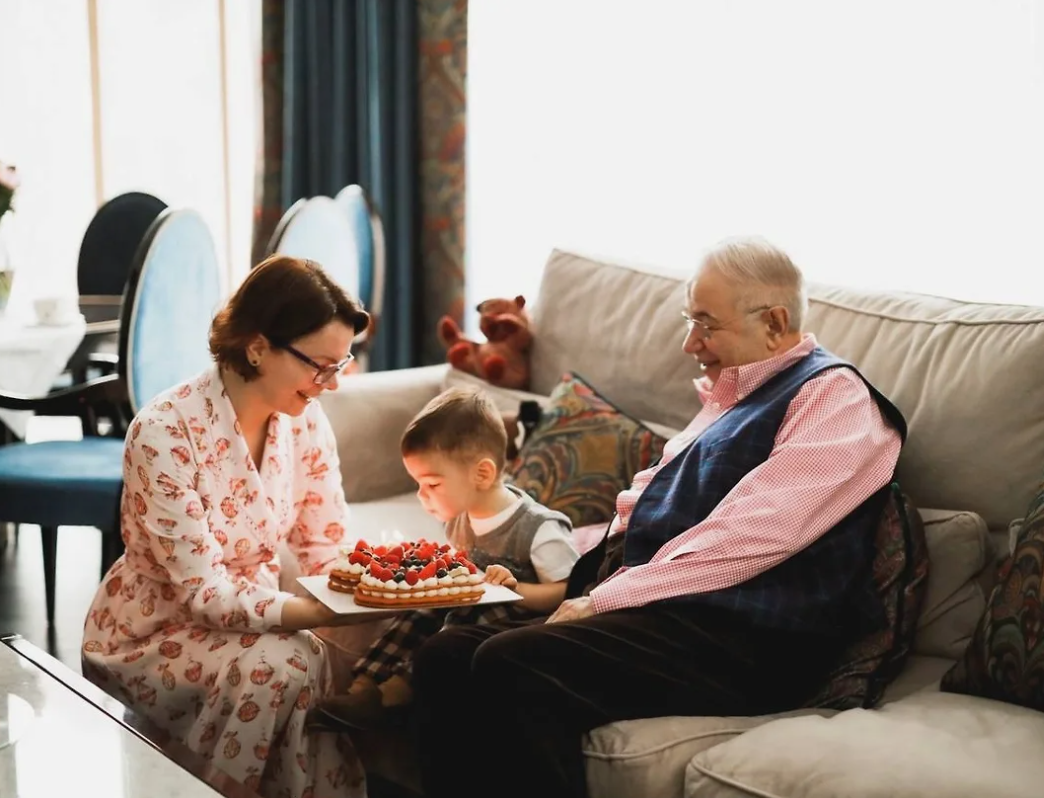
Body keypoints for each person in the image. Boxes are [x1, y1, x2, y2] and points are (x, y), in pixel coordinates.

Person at [409, 238, 907, 798]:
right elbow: (644, 517)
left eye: (706, 324)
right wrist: (576, 570)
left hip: (751, 640)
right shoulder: (728, 401)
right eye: (689, 321)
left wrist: (601, 599)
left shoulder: (835, 399)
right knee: (444, 656)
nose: (690, 343)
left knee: (512, 662)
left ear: (774, 322)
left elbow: (754, 536)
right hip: (670, 615)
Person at [82, 255, 373, 798]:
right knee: (289, 661)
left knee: (298, 657)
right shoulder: (164, 432)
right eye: (320, 366)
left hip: (254, 618)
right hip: (155, 632)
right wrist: (313, 613)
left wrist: (374, 587)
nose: (331, 384)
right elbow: (202, 593)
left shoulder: (304, 419)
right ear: (257, 347)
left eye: (340, 365)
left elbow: (326, 544)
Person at [310, 387, 579, 729]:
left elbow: (570, 591)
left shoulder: (539, 528)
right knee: (422, 609)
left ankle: (395, 694)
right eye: (418, 485)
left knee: (465, 614)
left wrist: (515, 589)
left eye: (432, 485)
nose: (422, 496)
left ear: (482, 474)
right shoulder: (459, 520)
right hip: (475, 606)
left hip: (520, 623)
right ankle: (363, 687)